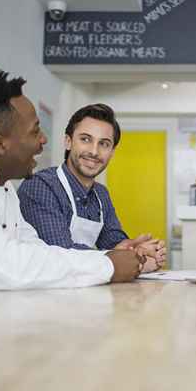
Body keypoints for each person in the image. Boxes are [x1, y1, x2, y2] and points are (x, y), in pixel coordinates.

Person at [0, 71, 143, 308]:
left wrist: (110, 258)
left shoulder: (3, 186)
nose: (43, 140)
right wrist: (109, 265)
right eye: (34, 131)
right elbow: (5, 267)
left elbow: (37, 250)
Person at [17, 104, 166, 272]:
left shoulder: (101, 194)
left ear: (112, 152)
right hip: (41, 293)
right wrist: (129, 261)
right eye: (85, 139)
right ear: (68, 142)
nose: (94, 151)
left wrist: (139, 250)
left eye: (104, 144)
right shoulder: (41, 186)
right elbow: (62, 253)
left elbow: (114, 242)